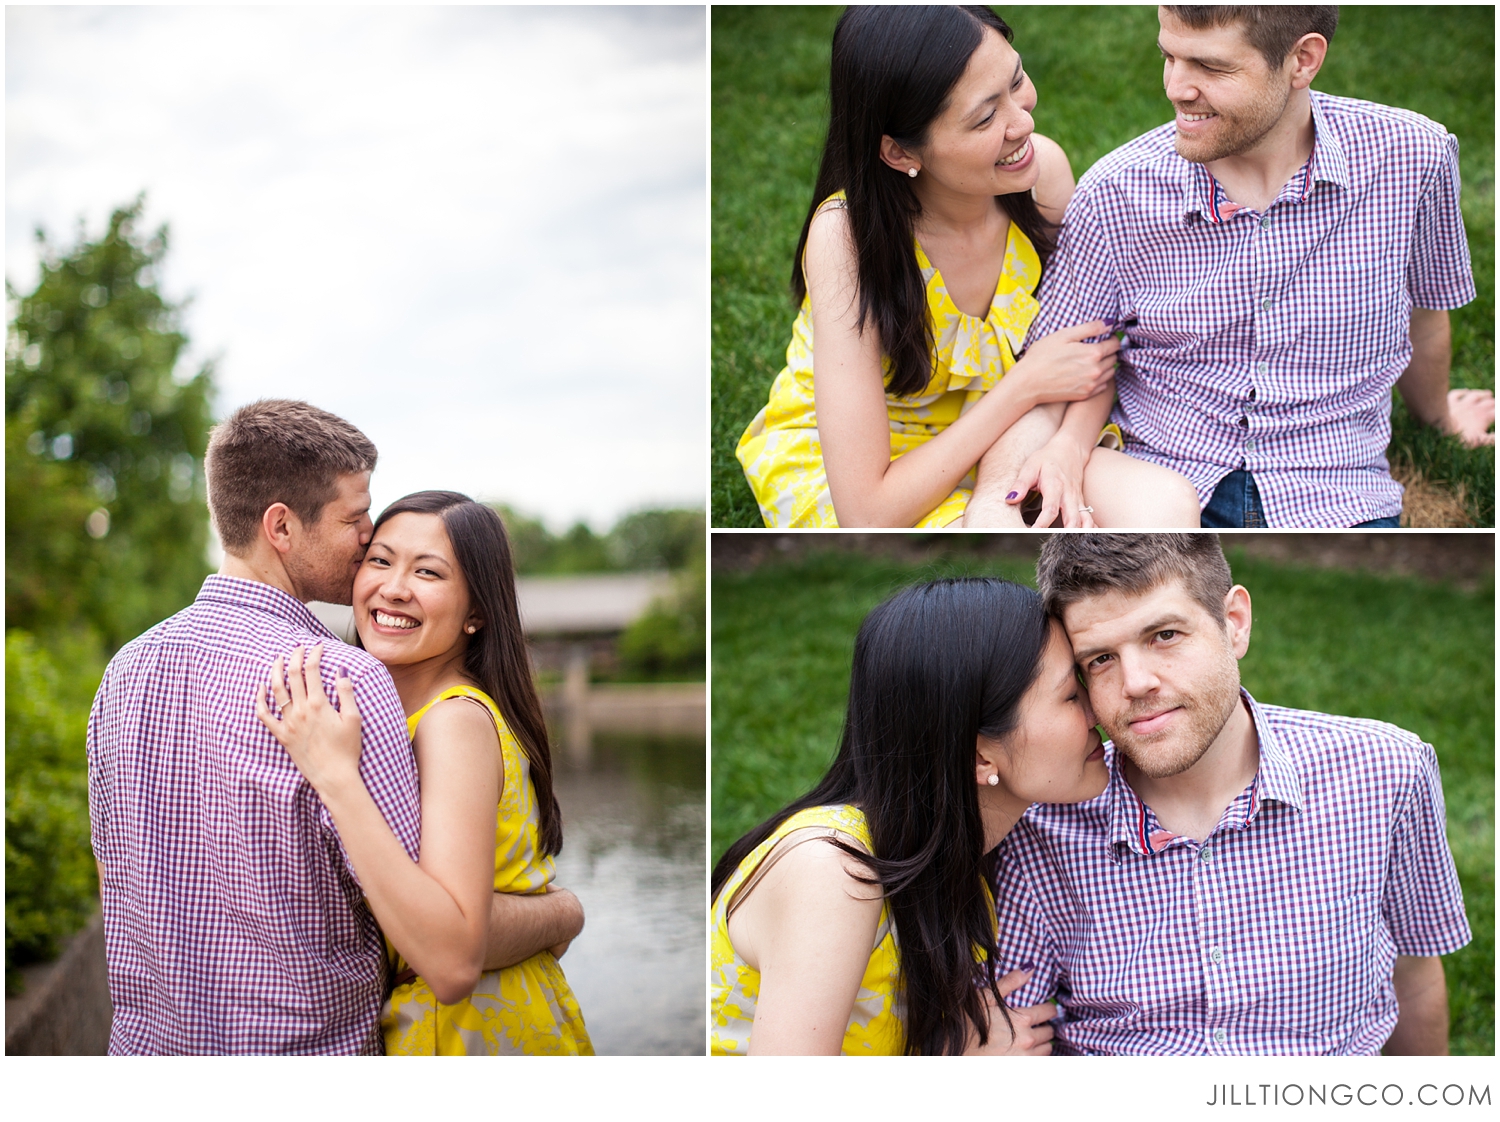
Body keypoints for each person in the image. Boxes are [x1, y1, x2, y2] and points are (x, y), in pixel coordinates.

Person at [86, 400, 582, 1054]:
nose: (364, 542)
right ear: (282, 527)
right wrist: (561, 912)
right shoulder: (340, 682)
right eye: (357, 522)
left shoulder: (124, 672)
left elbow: (117, 886)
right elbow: (440, 948)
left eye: (423, 569)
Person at [976, 6, 1493, 529]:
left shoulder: (1412, 158)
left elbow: (1425, 316)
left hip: (1335, 491)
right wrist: (1048, 462)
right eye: (1168, 56)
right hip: (1159, 484)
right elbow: (1058, 363)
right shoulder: (1117, 191)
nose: (1176, 88)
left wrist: (1442, 421)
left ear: (1303, 61)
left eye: (1211, 67)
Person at [994, 534, 1471, 1054]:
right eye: (1101, 658)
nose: (1135, 682)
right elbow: (1010, 1032)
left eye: (1165, 634)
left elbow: (1415, 972)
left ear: (1234, 622)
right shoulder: (1039, 826)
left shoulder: (1386, 771)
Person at [734, 5, 1202, 529]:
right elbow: (867, 511)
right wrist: (1021, 387)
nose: (1023, 122)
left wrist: (1067, 448)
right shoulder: (847, 238)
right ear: (897, 151)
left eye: (1017, 80)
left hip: (1021, 433)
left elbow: (1090, 352)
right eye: (985, 117)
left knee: (1165, 505)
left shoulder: (1041, 176)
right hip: (891, 472)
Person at [711, 577, 1110, 1055]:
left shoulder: (965, 854)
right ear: (980, 756)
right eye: (1070, 695)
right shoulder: (833, 872)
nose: (1098, 710)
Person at [257, 491, 593, 1055]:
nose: (393, 588)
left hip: (471, 1032)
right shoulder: (399, 713)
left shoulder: (453, 720)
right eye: (380, 560)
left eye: (428, 572)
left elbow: (451, 957)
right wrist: (559, 914)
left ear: (477, 613)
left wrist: (335, 777)